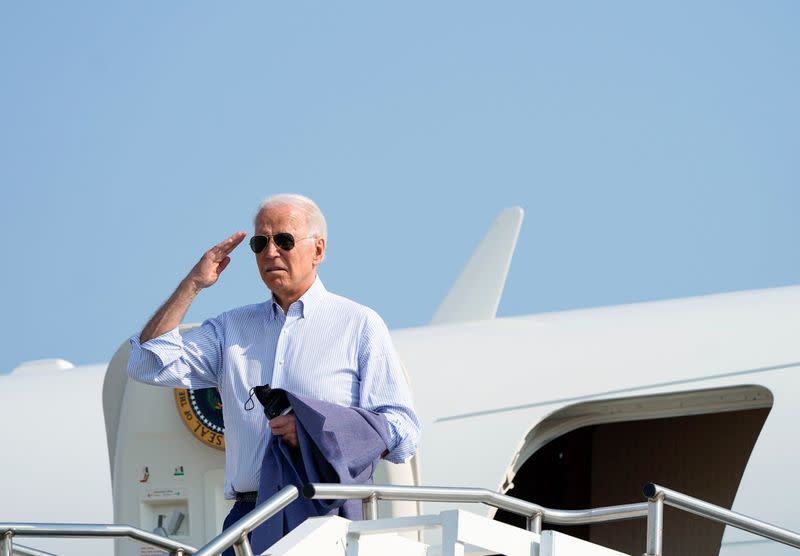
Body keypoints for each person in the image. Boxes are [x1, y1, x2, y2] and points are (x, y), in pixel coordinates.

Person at [127, 193, 420, 550]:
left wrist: (315, 431)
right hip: (249, 517)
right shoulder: (230, 329)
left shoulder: (359, 325)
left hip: (324, 514)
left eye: (284, 240)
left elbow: (403, 432)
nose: (270, 252)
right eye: (260, 242)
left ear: (319, 250)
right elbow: (147, 363)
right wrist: (193, 285)